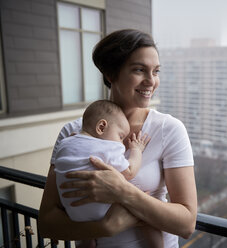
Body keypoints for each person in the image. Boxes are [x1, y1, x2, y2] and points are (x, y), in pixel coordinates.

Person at [38, 29, 197, 248]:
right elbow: (47, 224)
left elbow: (187, 223)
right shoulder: (73, 133)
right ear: (111, 74)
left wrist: (123, 191)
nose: (151, 81)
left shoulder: (168, 129)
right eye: (139, 70)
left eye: (156, 71)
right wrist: (105, 228)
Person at [54, 99, 162, 247]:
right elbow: (129, 171)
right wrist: (136, 149)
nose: (121, 143)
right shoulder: (107, 148)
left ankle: (87, 242)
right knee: (145, 211)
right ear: (101, 127)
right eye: (120, 136)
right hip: (98, 210)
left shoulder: (67, 142)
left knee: (86, 239)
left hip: (73, 212)